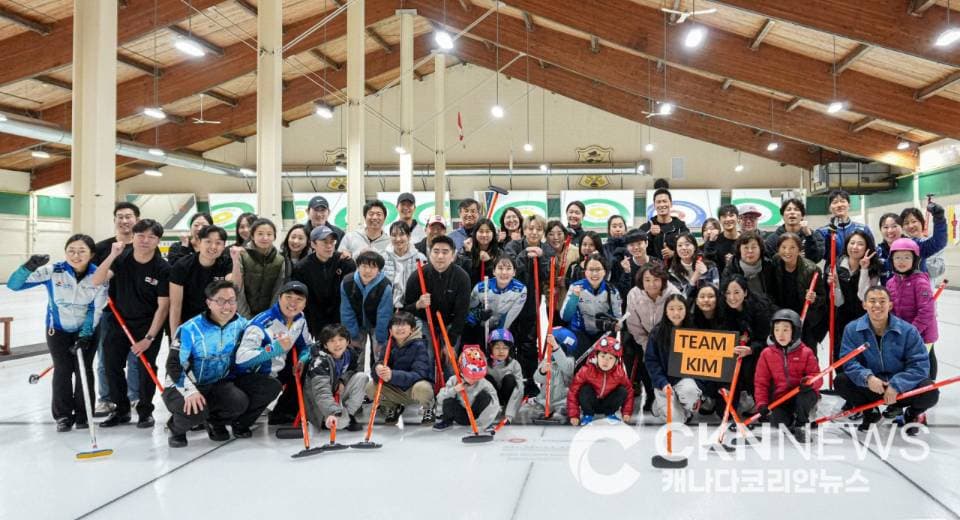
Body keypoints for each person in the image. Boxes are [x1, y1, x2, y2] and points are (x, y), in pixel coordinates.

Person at [8, 235, 107, 432]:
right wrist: (28, 267)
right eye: (71, 250)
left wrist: (85, 333)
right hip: (58, 330)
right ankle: (63, 416)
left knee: (83, 370)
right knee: (63, 370)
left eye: (81, 251)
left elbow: (96, 308)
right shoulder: (54, 271)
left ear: (91, 254)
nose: (76, 255)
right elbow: (14, 285)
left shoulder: (98, 275)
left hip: (87, 330)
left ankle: (83, 414)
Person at [91, 219, 170, 429]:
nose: (145, 240)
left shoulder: (162, 267)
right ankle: (121, 410)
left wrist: (149, 338)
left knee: (146, 368)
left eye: (151, 237)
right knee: (111, 366)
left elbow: (163, 307)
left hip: (148, 325)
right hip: (119, 321)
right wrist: (112, 255)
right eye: (141, 235)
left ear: (158, 241)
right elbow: (96, 280)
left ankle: (145, 411)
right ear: (132, 237)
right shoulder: (121, 258)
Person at [162, 280, 261, 447]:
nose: (227, 306)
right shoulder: (189, 329)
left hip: (216, 383)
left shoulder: (241, 324)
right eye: (221, 301)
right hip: (182, 385)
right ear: (209, 302)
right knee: (196, 410)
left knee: (239, 402)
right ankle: (176, 428)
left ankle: (215, 421)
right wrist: (189, 392)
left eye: (232, 300)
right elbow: (173, 364)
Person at [837, 286, 938, 434]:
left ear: (890, 305)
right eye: (872, 301)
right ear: (864, 305)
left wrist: (897, 384)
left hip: (900, 390)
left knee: (930, 391)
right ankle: (870, 412)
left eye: (882, 301)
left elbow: (920, 365)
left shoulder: (908, 331)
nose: (877, 305)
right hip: (871, 387)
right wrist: (868, 378)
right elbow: (849, 362)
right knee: (841, 381)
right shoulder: (852, 329)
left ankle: (911, 414)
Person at [233, 281, 312, 426]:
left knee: (309, 365)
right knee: (271, 386)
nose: (293, 303)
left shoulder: (299, 318)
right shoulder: (261, 323)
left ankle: (283, 413)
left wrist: (302, 359)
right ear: (279, 298)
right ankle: (240, 421)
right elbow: (241, 360)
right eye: (288, 297)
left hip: (277, 369)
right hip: (251, 375)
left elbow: (305, 346)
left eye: (299, 300)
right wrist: (273, 349)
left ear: (305, 304)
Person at [92, 202, 140, 416]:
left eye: (128, 216)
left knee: (135, 358)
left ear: (136, 220)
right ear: (114, 220)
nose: (124, 221)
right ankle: (106, 398)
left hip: (136, 312)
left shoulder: (143, 245)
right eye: (120, 217)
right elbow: (92, 278)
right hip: (108, 311)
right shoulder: (102, 247)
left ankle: (134, 397)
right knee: (106, 359)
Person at [402, 235, 472, 372]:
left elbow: (462, 313)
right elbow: (406, 310)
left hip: (451, 323)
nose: (440, 256)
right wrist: (418, 304)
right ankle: (428, 390)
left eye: (445, 252)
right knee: (426, 357)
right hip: (425, 322)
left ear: (453, 255)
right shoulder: (418, 275)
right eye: (436, 251)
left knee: (450, 361)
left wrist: (450, 343)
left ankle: (450, 391)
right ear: (429, 254)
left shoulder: (462, 277)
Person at [503, 214, 554, 394]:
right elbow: (511, 271)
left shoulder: (547, 249)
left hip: (532, 304)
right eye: (530, 228)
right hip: (510, 302)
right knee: (509, 342)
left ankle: (530, 381)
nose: (534, 232)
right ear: (524, 230)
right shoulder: (513, 246)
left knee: (530, 344)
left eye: (538, 229)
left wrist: (542, 258)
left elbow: (549, 275)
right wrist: (525, 254)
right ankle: (509, 381)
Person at [754, 309, 821, 442]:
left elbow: (817, 377)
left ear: (795, 331)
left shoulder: (806, 352)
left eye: (786, 330)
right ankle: (791, 420)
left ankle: (802, 422)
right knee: (777, 421)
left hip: (803, 393)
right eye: (777, 329)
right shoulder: (766, 354)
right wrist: (762, 404)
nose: (781, 334)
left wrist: (809, 382)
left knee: (803, 399)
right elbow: (761, 382)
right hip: (782, 397)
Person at [625, 263, 680, 411]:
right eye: (647, 280)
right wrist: (646, 344)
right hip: (644, 336)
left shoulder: (673, 294)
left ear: (663, 280)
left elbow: (680, 319)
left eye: (656, 279)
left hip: (669, 337)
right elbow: (633, 324)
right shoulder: (634, 294)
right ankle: (651, 394)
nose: (652, 284)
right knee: (644, 357)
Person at [168, 225, 240, 335]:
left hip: (218, 324)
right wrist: (175, 336)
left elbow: (234, 285)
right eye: (208, 241)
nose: (213, 246)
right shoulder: (182, 266)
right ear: (199, 242)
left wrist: (236, 261)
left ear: (223, 246)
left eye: (218, 243)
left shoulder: (226, 263)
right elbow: (175, 306)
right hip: (189, 323)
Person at [367, 311, 436, 425]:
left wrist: (392, 375)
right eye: (396, 325)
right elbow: (380, 366)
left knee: (423, 388)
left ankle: (429, 407)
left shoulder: (420, 346)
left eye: (404, 324)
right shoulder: (388, 345)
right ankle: (393, 407)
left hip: (413, 390)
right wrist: (378, 369)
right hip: (395, 389)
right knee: (370, 387)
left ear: (412, 329)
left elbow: (420, 374)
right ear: (390, 330)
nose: (400, 328)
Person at [719, 274, 774, 414]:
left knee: (750, 367)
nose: (732, 297)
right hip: (738, 351)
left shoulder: (760, 309)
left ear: (745, 292)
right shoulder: (724, 309)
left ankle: (760, 400)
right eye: (728, 293)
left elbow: (767, 339)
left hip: (761, 351)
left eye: (737, 292)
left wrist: (751, 349)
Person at [645, 294, 703, 424]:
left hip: (685, 379)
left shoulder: (695, 330)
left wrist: (698, 385)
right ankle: (658, 405)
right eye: (671, 309)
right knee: (676, 421)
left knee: (690, 393)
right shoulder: (657, 332)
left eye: (680, 308)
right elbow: (651, 361)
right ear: (665, 311)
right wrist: (662, 383)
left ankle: (682, 407)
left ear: (686, 310)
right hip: (664, 382)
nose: (676, 313)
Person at [886, 239, 938, 379]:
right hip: (903, 332)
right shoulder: (891, 283)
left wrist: (911, 332)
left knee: (923, 361)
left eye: (907, 257)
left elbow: (926, 312)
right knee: (909, 361)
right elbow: (890, 309)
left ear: (915, 260)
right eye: (897, 257)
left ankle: (928, 387)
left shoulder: (920, 282)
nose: (901, 261)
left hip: (922, 333)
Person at [293, 225, 357, 338]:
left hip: (341, 318)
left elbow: (352, 295)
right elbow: (302, 298)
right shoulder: (302, 268)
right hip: (316, 320)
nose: (329, 246)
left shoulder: (345, 263)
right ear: (313, 244)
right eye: (324, 242)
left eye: (332, 242)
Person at [827, 230, 881, 361]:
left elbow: (864, 298)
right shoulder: (836, 266)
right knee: (841, 356)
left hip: (863, 319)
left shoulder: (873, 269)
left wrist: (863, 270)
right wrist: (833, 286)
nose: (855, 247)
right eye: (852, 243)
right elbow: (837, 302)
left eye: (860, 244)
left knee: (862, 357)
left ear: (867, 247)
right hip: (841, 320)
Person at [304, 324, 368, 432]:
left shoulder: (349, 354)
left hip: (336, 393)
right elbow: (322, 392)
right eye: (332, 341)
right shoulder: (319, 362)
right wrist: (334, 412)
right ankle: (334, 419)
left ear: (347, 342)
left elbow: (351, 371)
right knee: (339, 422)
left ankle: (348, 416)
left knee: (362, 377)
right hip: (322, 405)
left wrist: (342, 380)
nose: (337, 344)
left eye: (341, 339)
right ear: (325, 345)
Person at [769, 233, 826, 349]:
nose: (787, 251)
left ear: (799, 250)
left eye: (792, 248)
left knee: (807, 355)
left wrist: (814, 298)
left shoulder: (812, 269)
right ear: (778, 249)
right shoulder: (774, 263)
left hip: (805, 321)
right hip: (781, 317)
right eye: (783, 247)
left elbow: (823, 297)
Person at [340, 250, 393, 372]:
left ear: (379, 270)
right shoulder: (347, 282)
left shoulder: (385, 286)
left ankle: (376, 386)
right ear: (357, 266)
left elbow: (384, 315)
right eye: (364, 266)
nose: (367, 271)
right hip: (356, 323)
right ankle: (356, 383)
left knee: (379, 355)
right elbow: (346, 311)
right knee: (355, 356)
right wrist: (352, 335)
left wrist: (381, 339)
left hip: (376, 324)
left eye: (372, 267)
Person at [561, 253, 623, 358]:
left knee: (602, 360)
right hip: (580, 331)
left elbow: (619, 319)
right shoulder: (575, 287)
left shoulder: (612, 291)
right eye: (590, 269)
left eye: (598, 269)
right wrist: (574, 298)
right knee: (581, 359)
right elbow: (565, 317)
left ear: (605, 272)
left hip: (603, 332)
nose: (594, 273)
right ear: (585, 272)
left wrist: (617, 325)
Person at [568, 335, 634, 426]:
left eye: (610, 358)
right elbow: (573, 391)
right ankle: (588, 415)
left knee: (622, 390)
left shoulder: (619, 373)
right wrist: (574, 415)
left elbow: (629, 391)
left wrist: (626, 412)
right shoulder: (587, 370)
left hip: (607, 404)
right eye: (603, 356)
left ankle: (610, 414)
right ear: (596, 356)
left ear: (616, 362)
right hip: (591, 403)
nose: (606, 361)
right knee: (584, 389)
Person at [432, 345, 501, 432]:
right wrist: (454, 390)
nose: (474, 380)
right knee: (448, 397)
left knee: (486, 396)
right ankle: (446, 421)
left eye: (477, 377)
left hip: (477, 416)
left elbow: (495, 404)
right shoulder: (454, 380)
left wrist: (483, 423)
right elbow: (440, 397)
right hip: (460, 415)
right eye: (471, 376)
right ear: (462, 371)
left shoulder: (484, 383)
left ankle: (486, 424)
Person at [464, 255, 527, 347]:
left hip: (503, 325)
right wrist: (478, 314)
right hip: (481, 325)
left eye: (508, 269)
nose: (504, 272)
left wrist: (497, 336)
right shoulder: (481, 288)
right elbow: (468, 309)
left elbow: (510, 317)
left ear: (514, 272)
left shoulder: (520, 290)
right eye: (500, 268)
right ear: (494, 271)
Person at [878, 204, 947, 284]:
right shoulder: (877, 251)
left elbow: (938, 242)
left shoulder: (913, 245)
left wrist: (939, 218)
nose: (890, 231)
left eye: (894, 226)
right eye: (885, 227)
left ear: (901, 228)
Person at [520, 327, 576, 421]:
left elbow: (566, 367)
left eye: (553, 345)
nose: (550, 348)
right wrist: (542, 371)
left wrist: (555, 347)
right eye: (549, 345)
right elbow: (537, 378)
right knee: (524, 411)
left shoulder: (570, 361)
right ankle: (540, 412)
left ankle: (561, 413)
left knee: (565, 407)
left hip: (562, 400)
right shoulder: (547, 361)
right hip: (544, 399)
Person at [235, 218, 285, 318]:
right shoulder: (242, 255)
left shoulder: (280, 260)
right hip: (242, 314)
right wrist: (244, 315)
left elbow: (278, 289)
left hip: (268, 315)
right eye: (260, 234)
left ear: (274, 237)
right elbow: (238, 288)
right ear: (252, 236)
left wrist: (270, 314)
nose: (265, 238)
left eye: (269, 234)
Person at [817, 189, 874, 268]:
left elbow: (871, 252)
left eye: (843, 201)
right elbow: (819, 255)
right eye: (835, 202)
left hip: (859, 273)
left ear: (849, 205)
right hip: (833, 275)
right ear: (830, 208)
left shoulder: (863, 229)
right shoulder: (823, 232)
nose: (839, 205)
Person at [383, 221, 427, 309]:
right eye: (394, 235)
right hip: (388, 307)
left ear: (409, 236)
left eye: (402, 234)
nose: (398, 239)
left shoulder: (420, 258)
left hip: (413, 306)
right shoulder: (383, 258)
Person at [763, 198, 824, 263]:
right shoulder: (772, 239)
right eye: (788, 210)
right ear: (782, 216)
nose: (792, 212)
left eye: (796, 209)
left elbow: (816, 259)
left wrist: (809, 236)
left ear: (802, 216)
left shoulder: (815, 236)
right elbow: (769, 263)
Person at [484, 329, 524, 424]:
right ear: (491, 348)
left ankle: (505, 407)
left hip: (507, 397)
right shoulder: (484, 363)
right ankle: (493, 408)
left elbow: (519, 389)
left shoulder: (514, 364)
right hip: (493, 397)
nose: (501, 351)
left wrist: (509, 415)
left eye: (505, 348)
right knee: (486, 379)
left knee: (509, 378)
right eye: (497, 347)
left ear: (509, 349)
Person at [639, 187, 690, 261]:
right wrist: (650, 235)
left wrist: (674, 253)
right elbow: (637, 250)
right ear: (654, 205)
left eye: (664, 201)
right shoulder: (646, 227)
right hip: (652, 269)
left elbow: (690, 249)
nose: (662, 205)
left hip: (675, 270)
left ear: (671, 204)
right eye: (658, 202)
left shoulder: (681, 227)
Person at [721, 231, 776, 298]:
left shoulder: (769, 266)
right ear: (739, 250)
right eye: (746, 248)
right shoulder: (731, 269)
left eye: (754, 247)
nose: (750, 251)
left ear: (760, 249)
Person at [667, 233, 718, 299]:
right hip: (686, 308)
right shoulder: (672, 273)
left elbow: (716, 292)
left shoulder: (710, 266)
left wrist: (705, 274)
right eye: (679, 245)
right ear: (676, 250)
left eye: (687, 244)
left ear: (695, 247)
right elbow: (680, 298)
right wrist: (694, 279)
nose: (683, 248)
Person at [457, 217, 501, 287]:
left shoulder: (499, 253)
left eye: (487, 231)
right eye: (481, 231)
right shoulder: (465, 249)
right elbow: (464, 276)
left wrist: (488, 262)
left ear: (493, 234)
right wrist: (469, 253)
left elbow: (500, 278)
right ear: (475, 233)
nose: (484, 235)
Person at [612, 230, 650, 305]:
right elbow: (621, 294)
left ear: (646, 243)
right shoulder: (623, 265)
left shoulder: (656, 263)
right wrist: (627, 272)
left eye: (639, 244)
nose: (636, 247)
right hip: (631, 307)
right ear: (627, 247)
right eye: (632, 245)